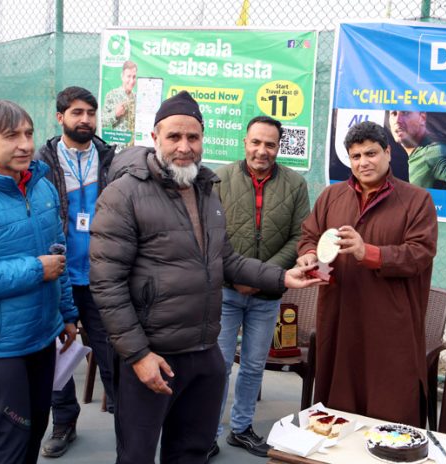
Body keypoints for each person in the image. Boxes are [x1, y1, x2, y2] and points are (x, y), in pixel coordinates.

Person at [88, 90, 321, 464]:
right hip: (152, 357)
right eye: (174, 137)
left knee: (191, 452)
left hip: (204, 353)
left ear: (202, 140)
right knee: (137, 455)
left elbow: (225, 258)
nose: (184, 146)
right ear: (155, 138)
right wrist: (138, 355)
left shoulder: (206, 191)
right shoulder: (123, 195)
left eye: (193, 137)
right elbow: (107, 284)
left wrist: (282, 278)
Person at [0, 100, 78, 463]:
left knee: (35, 430)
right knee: (9, 441)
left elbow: (59, 255)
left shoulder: (40, 187)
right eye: (12, 136)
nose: (24, 144)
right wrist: (35, 269)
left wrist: (66, 314)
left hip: (41, 335)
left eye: (28, 133)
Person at [297, 120, 438, 426]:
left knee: (390, 408)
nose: (364, 162)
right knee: (337, 407)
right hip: (339, 313)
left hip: (390, 321)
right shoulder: (332, 196)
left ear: (388, 153)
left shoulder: (417, 200)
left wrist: (367, 252)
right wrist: (309, 256)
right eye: (356, 156)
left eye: (371, 153)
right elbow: (310, 235)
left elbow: (420, 253)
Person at [213, 115, 310, 458]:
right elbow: (212, 235)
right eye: (256, 142)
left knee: (254, 366)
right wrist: (237, 275)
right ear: (245, 142)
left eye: (270, 144)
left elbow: (299, 237)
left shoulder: (295, 185)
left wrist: (261, 276)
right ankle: (209, 431)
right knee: (219, 365)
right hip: (225, 291)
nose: (262, 150)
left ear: (278, 146)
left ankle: (240, 429)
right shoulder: (220, 179)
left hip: (267, 295)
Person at [34, 86, 116, 457]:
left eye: (91, 113)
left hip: (102, 274)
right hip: (60, 276)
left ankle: (129, 420)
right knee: (58, 354)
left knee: (115, 349)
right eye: (77, 113)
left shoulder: (110, 160)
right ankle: (64, 422)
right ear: (60, 117)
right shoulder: (42, 163)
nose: (85, 120)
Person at [102, 61, 137, 142]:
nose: (131, 81)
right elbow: (102, 122)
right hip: (118, 148)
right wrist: (115, 114)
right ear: (122, 76)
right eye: (128, 76)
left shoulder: (137, 98)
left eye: (134, 77)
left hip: (134, 149)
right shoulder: (112, 95)